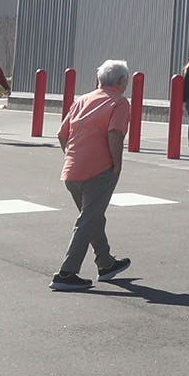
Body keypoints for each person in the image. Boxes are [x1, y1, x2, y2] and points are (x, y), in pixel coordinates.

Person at [51, 60, 134, 291]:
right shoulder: (118, 101)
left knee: (92, 217)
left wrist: (72, 157)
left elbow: (61, 134)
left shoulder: (81, 100)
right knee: (88, 220)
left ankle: (105, 263)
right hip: (99, 169)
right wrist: (116, 164)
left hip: (72, 169)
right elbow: (115, 133)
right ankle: (67, 273)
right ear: (121, 81)